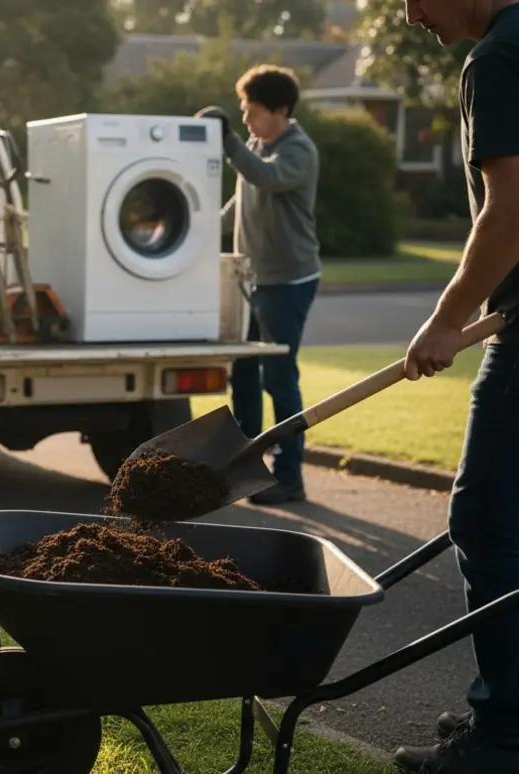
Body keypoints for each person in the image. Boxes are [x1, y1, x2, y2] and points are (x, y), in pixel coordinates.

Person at [391, 0, 519, 771]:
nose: (408, 15)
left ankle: (503, 734)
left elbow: (509, 211)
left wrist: (445, 318)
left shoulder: (496, 59)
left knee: (485, 519)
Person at [194, 64, 320, 506]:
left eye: (252, 111)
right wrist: (200, 229)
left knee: (279, 378)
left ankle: (290, 478)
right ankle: (248, 469)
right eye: (242, 112)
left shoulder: (298, 151)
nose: (245, 120)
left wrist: (227, 140)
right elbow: (244, 196)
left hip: (288, 280)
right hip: (250, 277)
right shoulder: (256, 143)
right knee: (243, 373)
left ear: (280, 110)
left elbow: (264, 176)